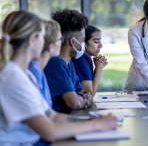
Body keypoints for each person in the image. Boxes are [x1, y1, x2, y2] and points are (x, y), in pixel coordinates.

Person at [0, 11, 117, 145]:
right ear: (33, 40)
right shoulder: (13, 78)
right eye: (44, 37)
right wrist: (95, 126)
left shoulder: (25, 75)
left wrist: (95, 122)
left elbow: (52, 116)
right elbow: (49, 131)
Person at [44, 8, 92, 113]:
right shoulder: (56, 62)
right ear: (72, 42)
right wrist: (83, 99)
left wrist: (85, 97)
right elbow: (73, 102)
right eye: (83, 40)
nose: (83, 44)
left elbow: (83, 92)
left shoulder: (69, 63)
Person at [28, 20, 62, 107]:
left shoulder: (39, 70)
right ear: (51, 47)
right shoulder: (33, 73)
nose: (62, 42)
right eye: (60, 39)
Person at [72, 25, 108, 97]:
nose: (100, 45)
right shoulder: (82, 58)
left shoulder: (86, 58)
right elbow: (90, 94)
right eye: (96, 41)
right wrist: (99, 68)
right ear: (83, 42)